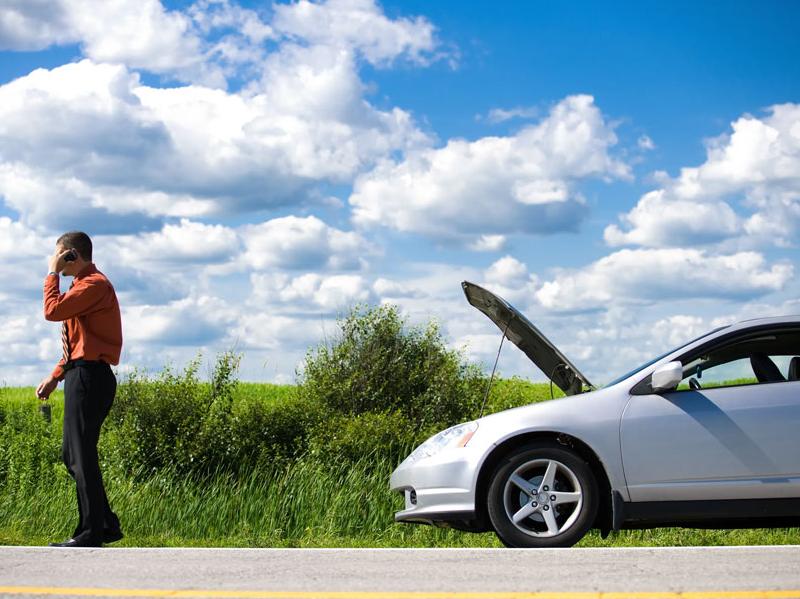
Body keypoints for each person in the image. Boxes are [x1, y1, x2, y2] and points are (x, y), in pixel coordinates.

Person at [36, 231, 124, 548]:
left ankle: (91, 531)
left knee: (81, 455)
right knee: (72, 454)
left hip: (90, 377)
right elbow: (77, 345)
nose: (56, 260)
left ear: (72, 255)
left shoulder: (93, 285)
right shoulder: (81, 287)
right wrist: (56, 376)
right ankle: (105, 523)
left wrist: (51, 272)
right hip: (81, 374)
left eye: (60, 254)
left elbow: (52, 311)